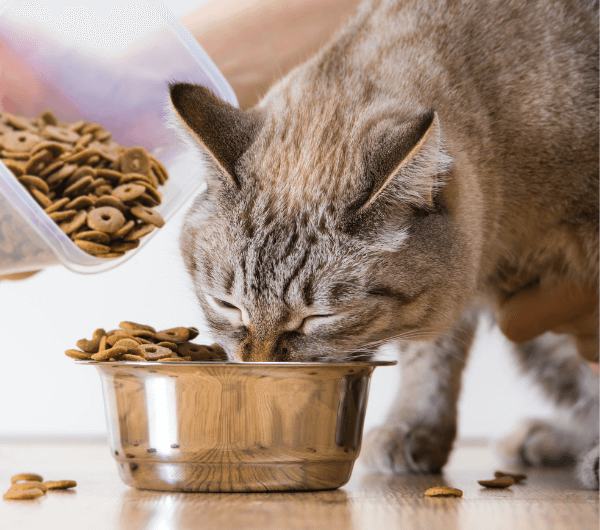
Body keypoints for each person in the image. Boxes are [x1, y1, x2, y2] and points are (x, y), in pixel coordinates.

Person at [2, 0, 598, 366]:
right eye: (229, 306)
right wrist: (112, 97)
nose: (255, 356)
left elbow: (427, 258)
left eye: (311, 322)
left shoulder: (557, 103)